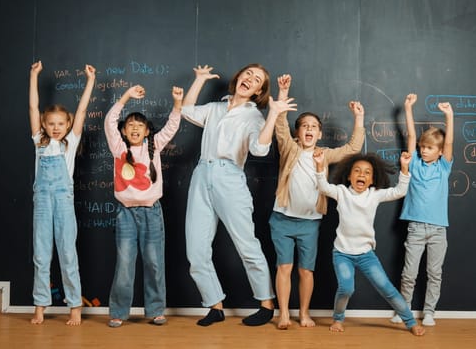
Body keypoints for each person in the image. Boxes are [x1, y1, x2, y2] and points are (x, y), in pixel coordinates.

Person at [181, 64, 297, 327]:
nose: (250, 79)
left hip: (230, 178)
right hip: (201, 175)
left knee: (247, 245)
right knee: (196, 250)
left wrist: (273, 115)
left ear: (258, 91)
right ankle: (214, 306)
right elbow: (186, 111)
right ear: (239, 78)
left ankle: (266, 303)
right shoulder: (215, 108)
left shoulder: (255, 117)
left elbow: (259, 150)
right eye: (248, 74)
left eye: (257, 80)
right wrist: (198, 79)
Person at [269, 74, 365, 329]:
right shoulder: (290, 149)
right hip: (282, 219)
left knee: (305, 271)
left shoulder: (325, 154)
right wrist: (282, 93)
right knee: (284, 267)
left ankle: (303, 313)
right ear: (297, 133)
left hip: (310, 222)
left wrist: (359, 118)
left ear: (319, 133)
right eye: (304, 126)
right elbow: (279, 126)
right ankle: (284, 314)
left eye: (313, 126)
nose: (309, 129)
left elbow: (353, 147)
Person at [313, 148, 425, 336]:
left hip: (366, 255)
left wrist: (405, 168)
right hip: (342, 253)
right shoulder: (341, 192)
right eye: (357, 171)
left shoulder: (375, 194)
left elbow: (400, 191)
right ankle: (338, 319)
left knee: (387, 288)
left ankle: (410, 321)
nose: (361, 175)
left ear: (372, 180)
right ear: (349, 176)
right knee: (346, 288)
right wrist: (319, 165)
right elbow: (323, 187)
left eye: (367, 173)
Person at [105, 85, 183, 328]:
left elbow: (171, 126)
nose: (135, 128)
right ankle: (118, 311)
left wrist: (177, 104)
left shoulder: (154, 146)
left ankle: (156, 310)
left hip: (151, 212)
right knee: (125, 264)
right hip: (126, 214)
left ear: (147, 131)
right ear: (123, 131)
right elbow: (109, 121)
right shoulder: (119, 149)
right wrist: (127, 96)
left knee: (154, 262)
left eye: (140, 125)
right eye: (130, 125)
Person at [28, 60, 96, 325]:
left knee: (68, 252)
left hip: (64, 201)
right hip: (43, 201)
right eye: (51, 123)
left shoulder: (71, 142)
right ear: (44, 125)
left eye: (60, 124)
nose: (56, 127)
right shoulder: (38, 141)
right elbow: (33, 106)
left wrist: (90, 81)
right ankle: (40, 306)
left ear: (67, 126)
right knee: (41, 253)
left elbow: (81, 110)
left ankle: (75, 305)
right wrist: (34, 75)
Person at [390, 94, 454, 327]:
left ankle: (429, 312)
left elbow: (448, 143)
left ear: (438, 152)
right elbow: (411, 135)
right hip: (415, 228)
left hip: (438, 229)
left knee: (434, 274)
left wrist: (449, 116)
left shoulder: (443, 167)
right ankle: (404, 311)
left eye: (429, 148)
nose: (424, 150)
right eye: (423, 147)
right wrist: (407, 108)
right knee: (409, 274)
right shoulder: (414, 162)